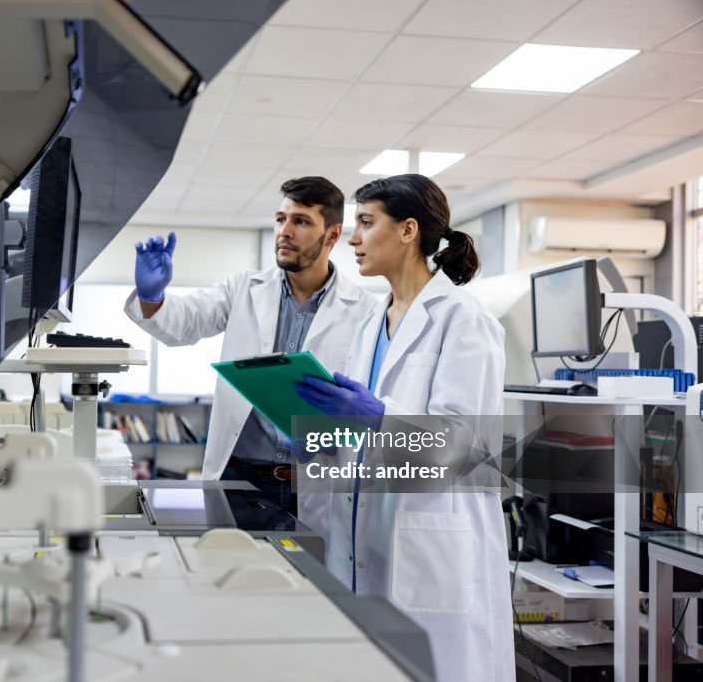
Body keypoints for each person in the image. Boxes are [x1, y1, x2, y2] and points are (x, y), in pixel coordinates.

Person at [295, 174, 515, 682]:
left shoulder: (462, 318)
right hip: (366, 539)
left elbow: (466, 449)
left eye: (366, 223)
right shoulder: (373, 321)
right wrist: (322, 436)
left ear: (408, 231)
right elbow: (361, 438)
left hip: (430, 550)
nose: (352, 238)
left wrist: (378, 418)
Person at [124, 177, 376, 534]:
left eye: (301, 221)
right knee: (232, 576)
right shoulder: (244, 288)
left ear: (333, 235)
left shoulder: (365, 311)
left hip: (314, 483)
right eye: (280, 219)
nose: (284, 231)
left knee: (308, 584)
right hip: (239, 479)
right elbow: (187, 322)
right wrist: (152, 297)